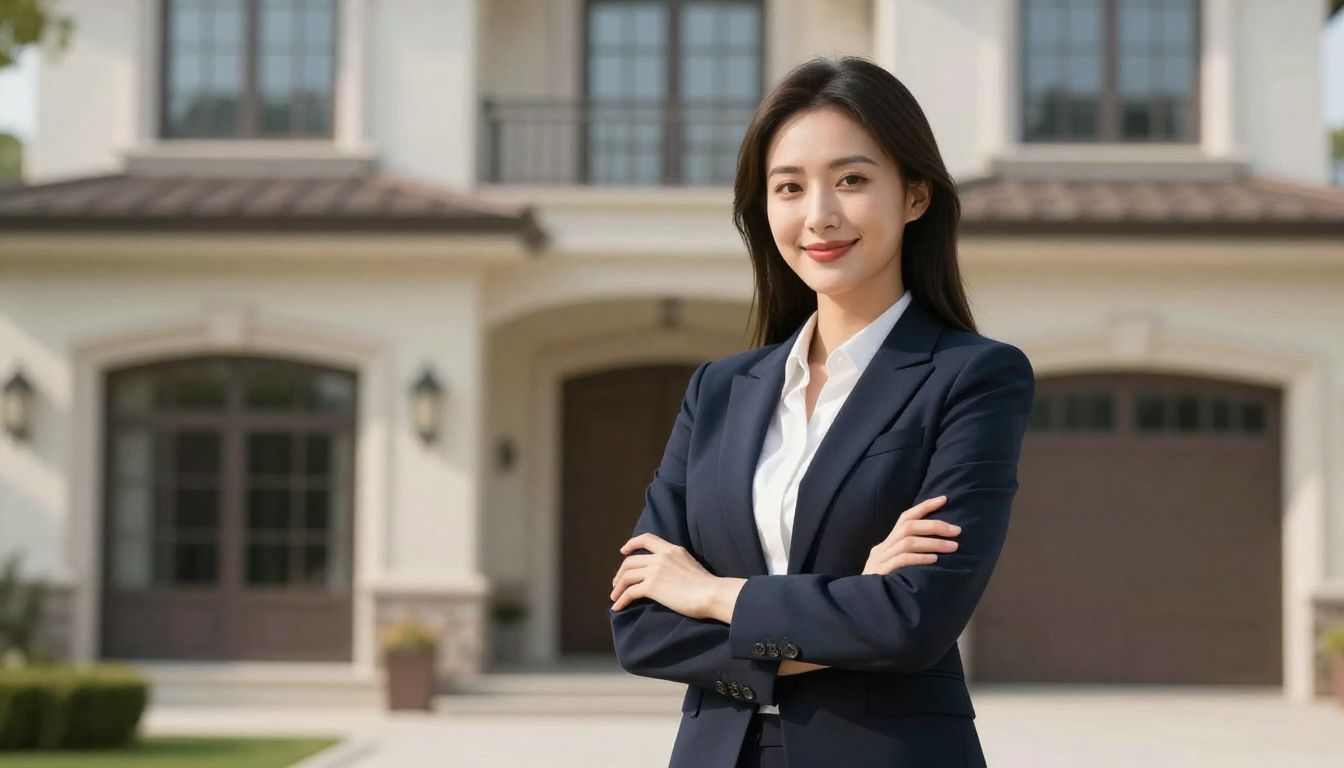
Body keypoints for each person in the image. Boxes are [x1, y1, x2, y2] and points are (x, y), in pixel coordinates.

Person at [608, 56, 1034, 768]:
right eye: (789, 187)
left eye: (852, 180)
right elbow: (642, 629)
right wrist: (849, 605)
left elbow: (913, 622)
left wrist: (713, 594)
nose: (819, 215)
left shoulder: (974, 378)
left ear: (916, 195)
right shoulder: (718, 390)